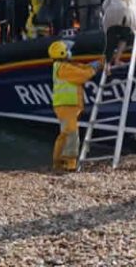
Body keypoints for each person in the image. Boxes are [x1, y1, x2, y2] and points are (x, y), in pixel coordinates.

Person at [48, 40, 102, 172]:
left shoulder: (63, 66)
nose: (70, 52)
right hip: (66, 106)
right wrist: (94, 67)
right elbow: (83, 74)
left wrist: (99, 62)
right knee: (72, 133)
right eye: (68, 50)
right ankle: (69, 164)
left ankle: (58, 163)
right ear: (62, 53)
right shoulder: (64, 68)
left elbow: (80, 68)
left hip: (66, 106)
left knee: (65, 134)